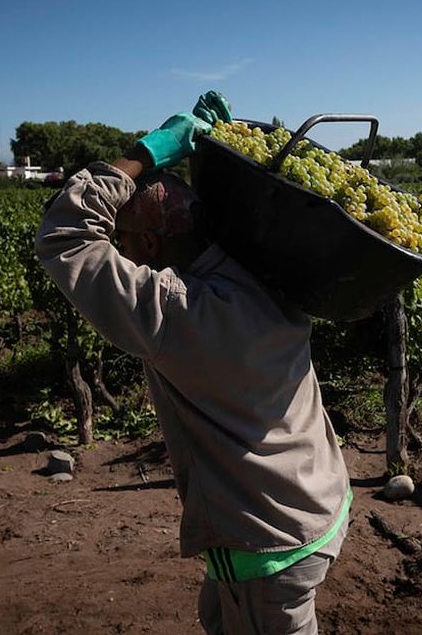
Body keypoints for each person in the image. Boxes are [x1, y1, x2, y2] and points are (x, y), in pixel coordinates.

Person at [35, 91, 351, 634]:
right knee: (219, 615)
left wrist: (145, 153)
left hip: (268, 543)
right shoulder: (256, 275)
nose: (118, 250)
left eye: (122, 240)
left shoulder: (177, 315)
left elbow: (65, 236)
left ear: (149, 242)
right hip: (315, 498)